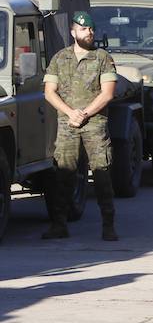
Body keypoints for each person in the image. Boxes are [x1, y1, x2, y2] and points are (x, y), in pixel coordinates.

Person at [42, 12, 119, 241]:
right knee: (63, 174)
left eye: (91, 29)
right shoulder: (59, 58)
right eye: (84, 29)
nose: (89, 33)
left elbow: (108, 94)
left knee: (102, 173)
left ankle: (108, 225)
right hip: (68, 125)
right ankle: (59, 224)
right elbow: (49, 92)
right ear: (73, 32)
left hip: (94, 124)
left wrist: (84, 113)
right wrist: (70, 113)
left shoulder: (102, 57)